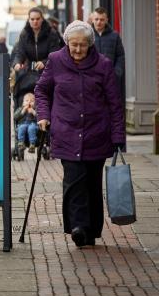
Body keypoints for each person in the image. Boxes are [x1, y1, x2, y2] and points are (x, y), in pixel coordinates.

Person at [34, 20, 125, 248]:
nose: (77, 50)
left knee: (93, 183)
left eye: (82, 45)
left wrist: (118, 137)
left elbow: (115, 103)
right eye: (73, 45)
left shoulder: (103, 65)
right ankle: (78, 227)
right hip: (66, 131)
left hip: (96, 133)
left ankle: (92, 229)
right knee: (74, 181)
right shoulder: (55, 61)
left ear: (90, 44)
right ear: (66, 43)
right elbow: (41, 90)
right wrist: (43, 116)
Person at [11, 7, 65, 103]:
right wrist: (17, 63)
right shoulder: (24, 34)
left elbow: (55, 53)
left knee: (47, 95)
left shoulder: (51, 33)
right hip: (30, 72)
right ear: (29, 20)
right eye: (32, 19)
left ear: (42, 19)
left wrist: (44, 62)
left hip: (47, 71)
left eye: (37, 19)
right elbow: (20, 52)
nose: (35, 21)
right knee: (22, 91)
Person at [90, 7, 125, 100]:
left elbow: (120, 56)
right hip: (91, 78)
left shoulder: (114, 36)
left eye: (102, 19)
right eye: (96, 19)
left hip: (110, 78)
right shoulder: (87, 36)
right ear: (92, 20)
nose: (99, 22)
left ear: (106, 20)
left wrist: (117, 73)